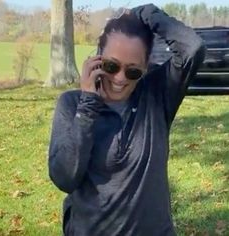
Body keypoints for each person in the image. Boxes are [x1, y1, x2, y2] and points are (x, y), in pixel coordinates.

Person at [48, 4, 205, 236]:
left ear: (145, 67)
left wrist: (146, 13)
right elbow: (64, 178)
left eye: (133, 71)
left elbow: (192, 47)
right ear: (97, 58)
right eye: (111, 66)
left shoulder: (156, 95)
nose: (120, 78)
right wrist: (88, 107)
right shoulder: (71, 104)